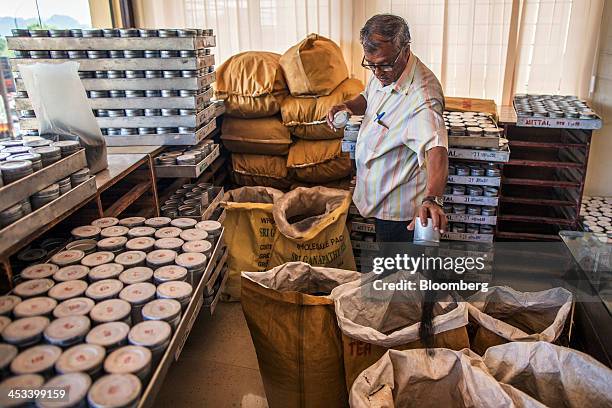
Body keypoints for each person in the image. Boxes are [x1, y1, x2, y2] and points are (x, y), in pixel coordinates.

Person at [328, 14, 448, 243]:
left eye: (383, 65)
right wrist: (348, 106)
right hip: (379, 201)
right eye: (370, 65)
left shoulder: (422, 96)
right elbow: (369, 96)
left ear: (404, 50)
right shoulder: (384, 70)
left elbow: (436, 147)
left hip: (400, 214)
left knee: (400, 274)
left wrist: (433, 199)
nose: (377, 72)